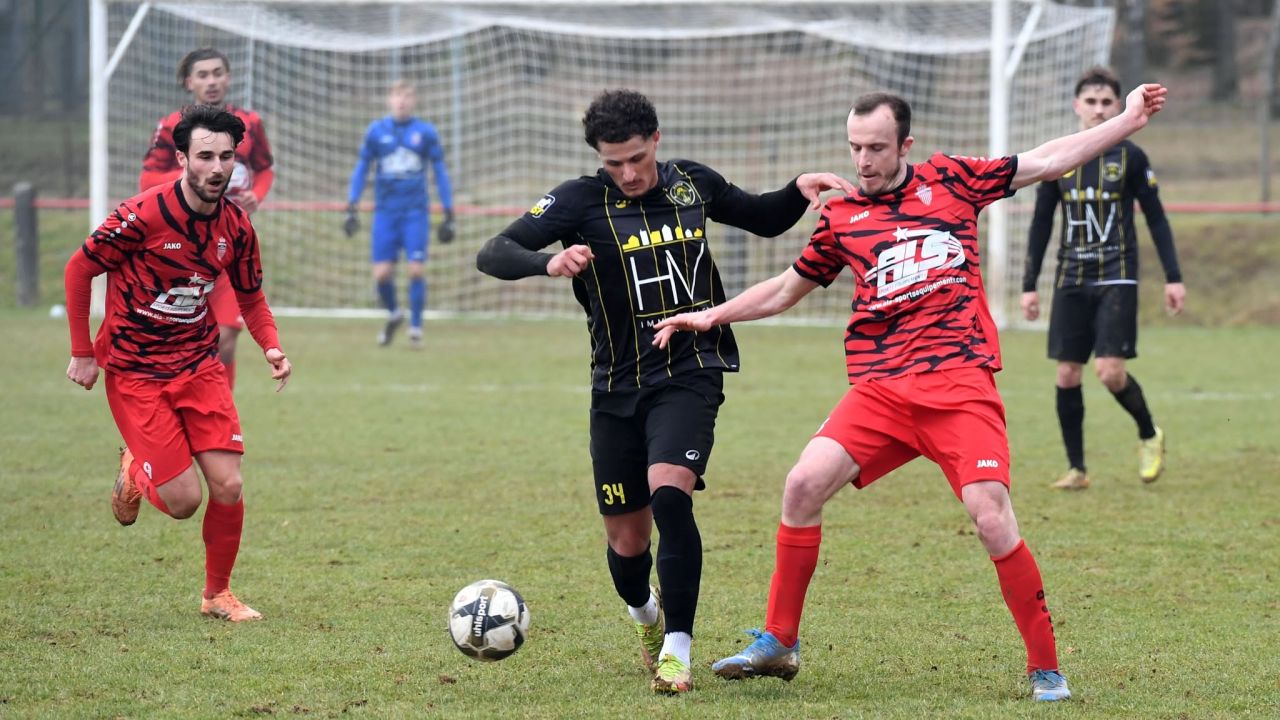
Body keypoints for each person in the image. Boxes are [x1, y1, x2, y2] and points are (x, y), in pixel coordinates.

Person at [653, 83, 1169, 702]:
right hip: (881, 392)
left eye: (875, 148)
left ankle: (1045, 667)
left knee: (990, 516)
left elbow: (1048, 159)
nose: (863, 161)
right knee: (802, 483)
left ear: (905, 145)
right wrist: (711, 317)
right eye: (854, 148)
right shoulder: (840, 215)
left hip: (959, 387)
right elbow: (787, 287)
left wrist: (1129, 121)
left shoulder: (954, 180)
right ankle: (780, 642)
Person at [475, 89, 853, 694]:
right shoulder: (579, 199)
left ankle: (678, 647)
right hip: (615, 387)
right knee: (628, 549)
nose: (626, 173)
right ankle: (645, 615)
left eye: (635, 158)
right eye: (613, 162)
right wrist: (545, 263)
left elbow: (760, 215)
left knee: (671, 496)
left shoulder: (690, 184)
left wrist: (797, 188)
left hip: (690, 371)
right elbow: (494, 252)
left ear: (655, 138)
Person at [66, 104, 292, 622]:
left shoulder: (235, 227)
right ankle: (134, 465)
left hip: (198, 366)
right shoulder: (141, 215)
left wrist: (272, 346)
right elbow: (80, 269)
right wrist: (82, 351)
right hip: (136, 372)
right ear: (182, 157)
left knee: (230, 484)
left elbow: (252, 298)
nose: (217, 167)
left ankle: (217, 595)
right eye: (206, 156)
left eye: (227, 157)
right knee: (184, 500)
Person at [1021, 66, 1185, 491]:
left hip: (1118, 274)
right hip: (1070, 276)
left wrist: (1173, 277)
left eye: (1106, 102)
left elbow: (1157, 220)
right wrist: (1028, 285)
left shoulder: (1132, 157)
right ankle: (1077, 469)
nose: (1097, 110)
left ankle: (1150, 434)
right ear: (1077, 106)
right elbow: (1041, 224)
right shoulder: (1057, 159)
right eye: (1090, 102)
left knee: (1110, 373)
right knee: (1067, 375)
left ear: (1119, 107)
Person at [140, 47, 275, 390]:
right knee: (176, 342)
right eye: (203, 74)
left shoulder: (250, 123)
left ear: (228, 78)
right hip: (180, 248)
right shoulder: (173, 126)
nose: (212, 81)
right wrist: (189, 184)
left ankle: (216, 415)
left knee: (225, 340)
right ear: (189, 82)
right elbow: (147, 180)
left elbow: (264, 169)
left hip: (228, 244)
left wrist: (254, 196)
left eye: (218, 73)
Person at [344, 80, 456, 349]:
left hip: (415, 213)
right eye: (398, 96)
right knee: (382, 274)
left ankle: (416, 328)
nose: (402, 101)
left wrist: (448, 209)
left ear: (414, 101)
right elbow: (362, 169)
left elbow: (439, 172)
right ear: (389, 100)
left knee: (416, 270)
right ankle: (395, 313)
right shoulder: (376, 132)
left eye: (407, 96)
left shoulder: (425, 133)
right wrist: (352, 204)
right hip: (385, 213)